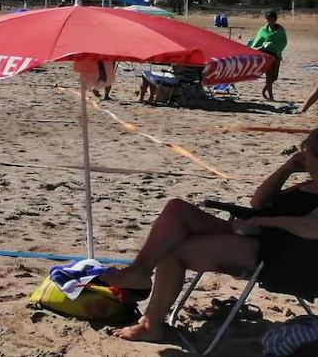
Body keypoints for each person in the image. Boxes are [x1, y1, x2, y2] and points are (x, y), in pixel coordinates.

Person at [101, 128, 318, 342]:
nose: (301, 157)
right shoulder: (309, 185)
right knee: (176, 210)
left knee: (173, 249)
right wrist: (286, 169)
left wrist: (261, 221)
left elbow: (312, 228)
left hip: (279, 256)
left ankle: (150, 319)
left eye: (305, 153)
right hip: (258, 238)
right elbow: (258, 202)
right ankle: (140, 275)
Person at [249, 10, 288, 102]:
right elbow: (256, 43)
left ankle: (263, 91)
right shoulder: (263, 30)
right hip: (266, 55)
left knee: (274, 77)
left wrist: (274, 46)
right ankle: (271, 96)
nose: (270, 21)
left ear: (275, 19)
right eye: (268, 19)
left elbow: (283, 42)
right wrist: (262, 46)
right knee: (269, 76)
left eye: (272, 19)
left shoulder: (280, 30)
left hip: (276, 54)